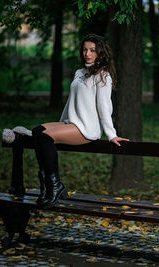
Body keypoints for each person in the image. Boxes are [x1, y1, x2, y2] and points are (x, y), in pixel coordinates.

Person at [31, 34, 129, 208]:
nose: (87, 53)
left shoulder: (103, 76)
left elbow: (104, 107)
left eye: (92, 50)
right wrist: (62, 123)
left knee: (46, 137)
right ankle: (47, 185)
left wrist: (111, 134)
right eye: (85, 49)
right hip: (72, 123)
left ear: (100, 52)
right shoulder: (80, 72)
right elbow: (71, 101)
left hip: (87, 128)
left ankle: (55, 186)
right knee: (38, 131)